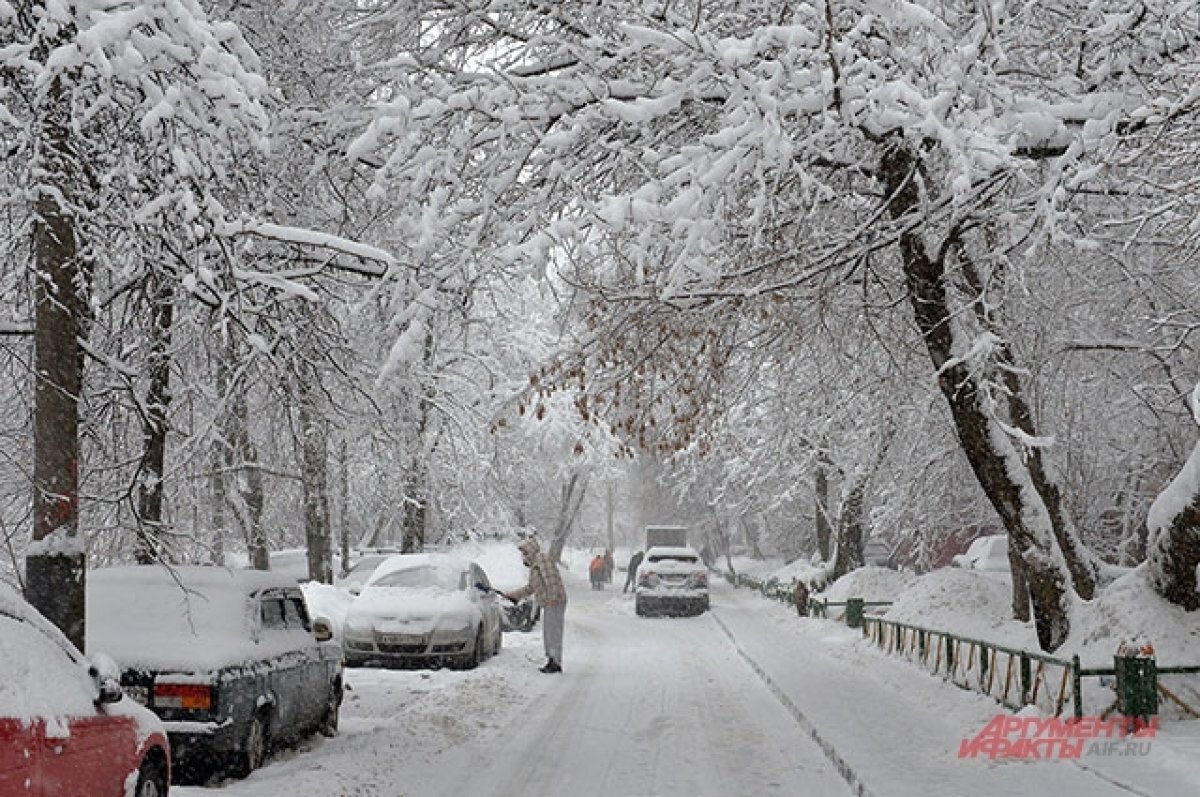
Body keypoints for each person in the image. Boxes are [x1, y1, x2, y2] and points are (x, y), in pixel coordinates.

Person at [505, 538, 568, 673]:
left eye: (525, 551)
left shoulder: (542, 559)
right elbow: (531, 587)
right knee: (548, 632)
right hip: (549, 601)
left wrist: (553, 597)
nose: (523, 554)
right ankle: (552, 660)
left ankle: (555, 662)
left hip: (555, 601)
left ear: (531, 549)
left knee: (553, 632)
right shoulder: (534, 564)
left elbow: (551, 579)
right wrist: (514, 595)